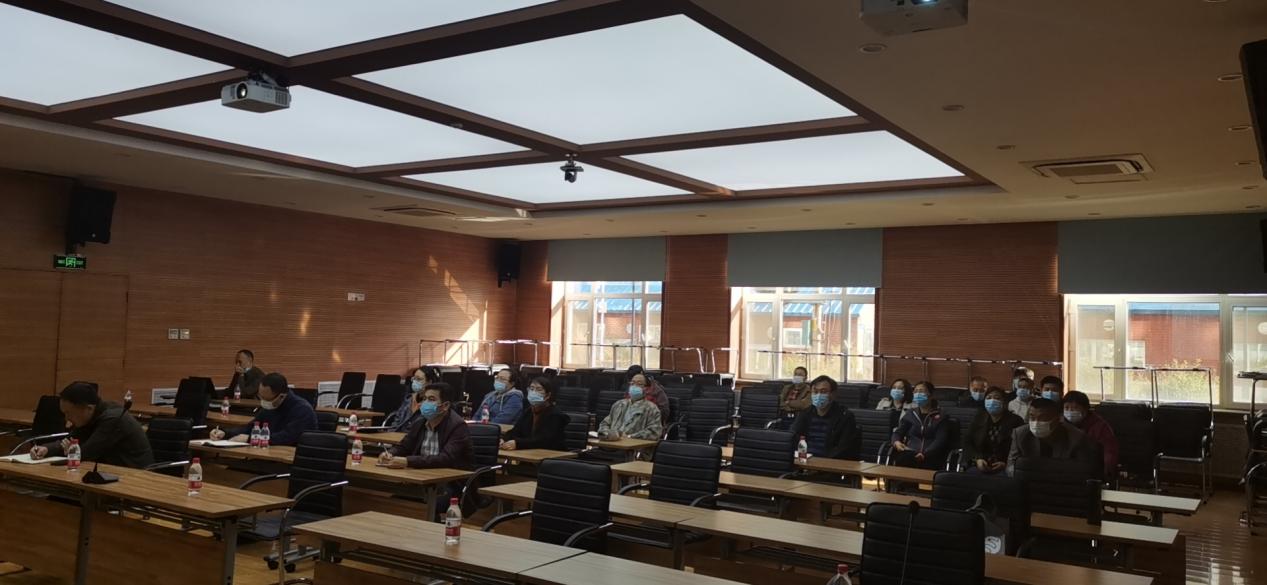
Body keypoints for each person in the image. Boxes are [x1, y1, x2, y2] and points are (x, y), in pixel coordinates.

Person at [30, 382, 154, 468]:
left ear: (88, 408)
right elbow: (72, 440)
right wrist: (46, 449)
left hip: (134, 476)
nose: (66, 419)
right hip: (109, 472)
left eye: (69, 413)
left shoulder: (114, 419)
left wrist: (72, 451)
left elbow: (87, 453)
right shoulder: (91, 416)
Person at [379, 383, 473, 470]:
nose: (425, 403)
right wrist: (390, 453)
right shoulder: (419, 422)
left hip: (451, 478)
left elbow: (445, 458)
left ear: (445, 405)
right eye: (424, 399)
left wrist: (408, 461)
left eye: (431, 399)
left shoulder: (458, 426)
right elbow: (404, 446)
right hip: (421, 473)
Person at [210, 373, 317, 446]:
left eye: (266, 399)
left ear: (281, 396)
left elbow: (287, 437)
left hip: (291, 459)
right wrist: (225, 433)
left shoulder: (302, 410)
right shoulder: (270, 406)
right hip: (268, 452)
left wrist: (250, 438)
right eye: (260, 397)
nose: (263, 402)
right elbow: (250, 427)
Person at [1006, 397, 1099, 476]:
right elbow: (1010, 467)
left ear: (1058, 419)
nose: (1036, 422)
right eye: (1032, 417)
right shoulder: (1020, 434)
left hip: (1062, 485)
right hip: (1029, 483)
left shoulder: (1076, 437)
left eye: (1043, 418)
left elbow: (1083, 471)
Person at [789, 375, 860, 460]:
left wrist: (823, 462)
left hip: (831, 463)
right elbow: (792, 436)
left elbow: (844, 448)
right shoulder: (805, 414)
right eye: (815, 392)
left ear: (833, 394)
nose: (818, 395)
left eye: (823, 392)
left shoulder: (845, 417)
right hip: (805, 460)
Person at [890, 381, 952, 470]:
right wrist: (896, 442)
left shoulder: (941, 416)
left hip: (931, 455)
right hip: (911, 453)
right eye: (915, 391)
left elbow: (940, 440)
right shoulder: (911, 413)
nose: (918, 394)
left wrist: (924, 453)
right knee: (900, 460)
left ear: (931, 395)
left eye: (921, 391)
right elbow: (898, 432)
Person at [963, 387, 1025, 474]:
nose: (992, 401)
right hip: (980, 464)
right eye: (989, 398)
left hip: (1007, 466)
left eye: (997, 398)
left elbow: (1021, 448)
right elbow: (967, 442)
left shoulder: (1016, 421)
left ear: (1004, 402)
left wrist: (1006, 463)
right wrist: (977, 459)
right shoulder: (978, 418)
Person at [502, 377, 571, 452]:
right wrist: (504, 439)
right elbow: (515, 431)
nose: (534, 392)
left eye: (539, 389)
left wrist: (518, 443)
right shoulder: (529, 411)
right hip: (530, 452)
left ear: (547, 395)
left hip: (552, 454)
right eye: (531, 389)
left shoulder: (556, 415)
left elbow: (544, 440)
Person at [1063, 391, 1119, 479]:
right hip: (1065, 469)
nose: (1070, 411)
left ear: (1085, 409)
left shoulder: (1100, 426)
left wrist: (1107, 469)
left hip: (1090, 469)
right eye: (1066, 407)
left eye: (1075, 408)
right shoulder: (1060, 424)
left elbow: (1109, 451)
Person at [597, 373, 663, 440]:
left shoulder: (651, 408)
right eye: (632, 383)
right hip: (612, 442)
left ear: (646, 388)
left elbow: (654, 432)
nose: (634, 386)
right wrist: (606, 434)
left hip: (633, 444)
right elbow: (605, 423)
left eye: (639, 384)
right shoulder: (619, 404)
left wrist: (630, 437)